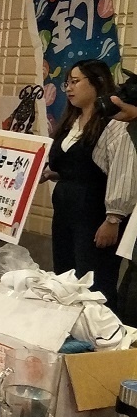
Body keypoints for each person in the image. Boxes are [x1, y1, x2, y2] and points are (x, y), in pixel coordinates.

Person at [40, 61, 137, 309]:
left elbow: (122, 171)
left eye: (76, 81)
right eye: (67, 83)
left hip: (96, 215)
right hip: (65, 211)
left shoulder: (114, 122)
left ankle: (102, 341)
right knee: (66, 275)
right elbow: (74, 166)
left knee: (94, 281)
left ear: (97, 83)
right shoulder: (69, 122)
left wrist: (113, 218)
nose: (69, 88)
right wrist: (51, 173)